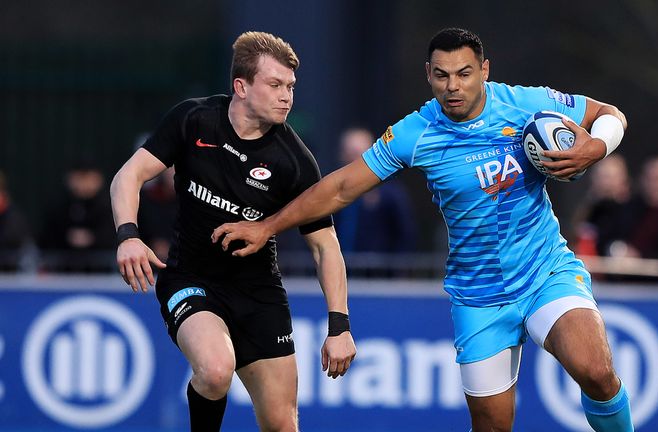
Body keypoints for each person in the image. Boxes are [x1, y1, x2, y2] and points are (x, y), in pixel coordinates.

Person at [213, 28, 632, 432]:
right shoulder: (416, 132)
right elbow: (340, 188)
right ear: (428, 75)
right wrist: (268, 226)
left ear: (484, 70)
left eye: (464, 74)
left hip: (544, 273)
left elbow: (608, 115)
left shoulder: (524, 104)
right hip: (478, 296)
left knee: (594, 369)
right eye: (442, 75)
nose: (453, 86)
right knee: (492, 426)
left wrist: (596, 146)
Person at [110, 31, 356, 432]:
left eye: (291, 87)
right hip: (191, 279)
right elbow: (128, 176)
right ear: (241, 86)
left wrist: (340, 326)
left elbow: (325, 248)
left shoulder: (295, 162)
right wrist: (128, 235)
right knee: (214, 369)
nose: (286, 96)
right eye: (275, 85)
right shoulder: (194, 120)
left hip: (258, 294)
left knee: (282, 424)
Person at [333, 127, 416, 254]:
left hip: (378, 270)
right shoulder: (332, 192)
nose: (352, 160)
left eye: (357, 154)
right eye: (348, 153)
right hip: (341, 267)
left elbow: (405, 234)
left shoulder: (391, 194)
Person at [39, 162, 115, 272]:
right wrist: (67, 237)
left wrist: (92, 238)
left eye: (87, 178)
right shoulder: (59, 205)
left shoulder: (108, 204)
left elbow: (114, 236)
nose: (83, 184)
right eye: (79, 178)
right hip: (63, 271)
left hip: (101, 272)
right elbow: (47, 238)